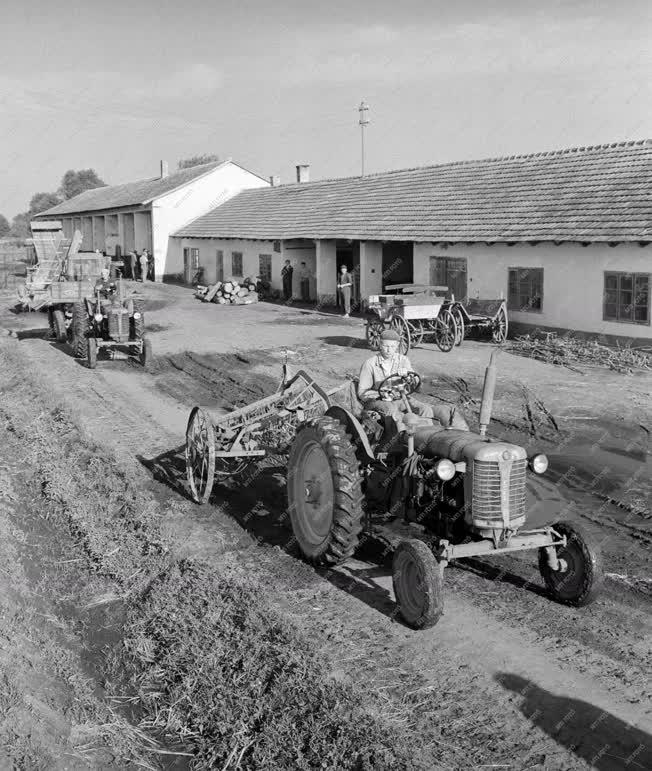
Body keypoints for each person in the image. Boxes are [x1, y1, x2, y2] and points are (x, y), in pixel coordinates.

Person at [357, 330, 469, 428]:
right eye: (386, 346)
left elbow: (415, 383)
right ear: (380, 345)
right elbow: (362, 392)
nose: (388, 350)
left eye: (392, 347)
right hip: (379, 401)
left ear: (397, 346)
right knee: (392, 412)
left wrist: (408, 376)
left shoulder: (403, 360)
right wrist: (380, 394)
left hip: (401, 398)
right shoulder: (370, 364)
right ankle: (394, 442)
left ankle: (424, 437)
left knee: (426, 410)